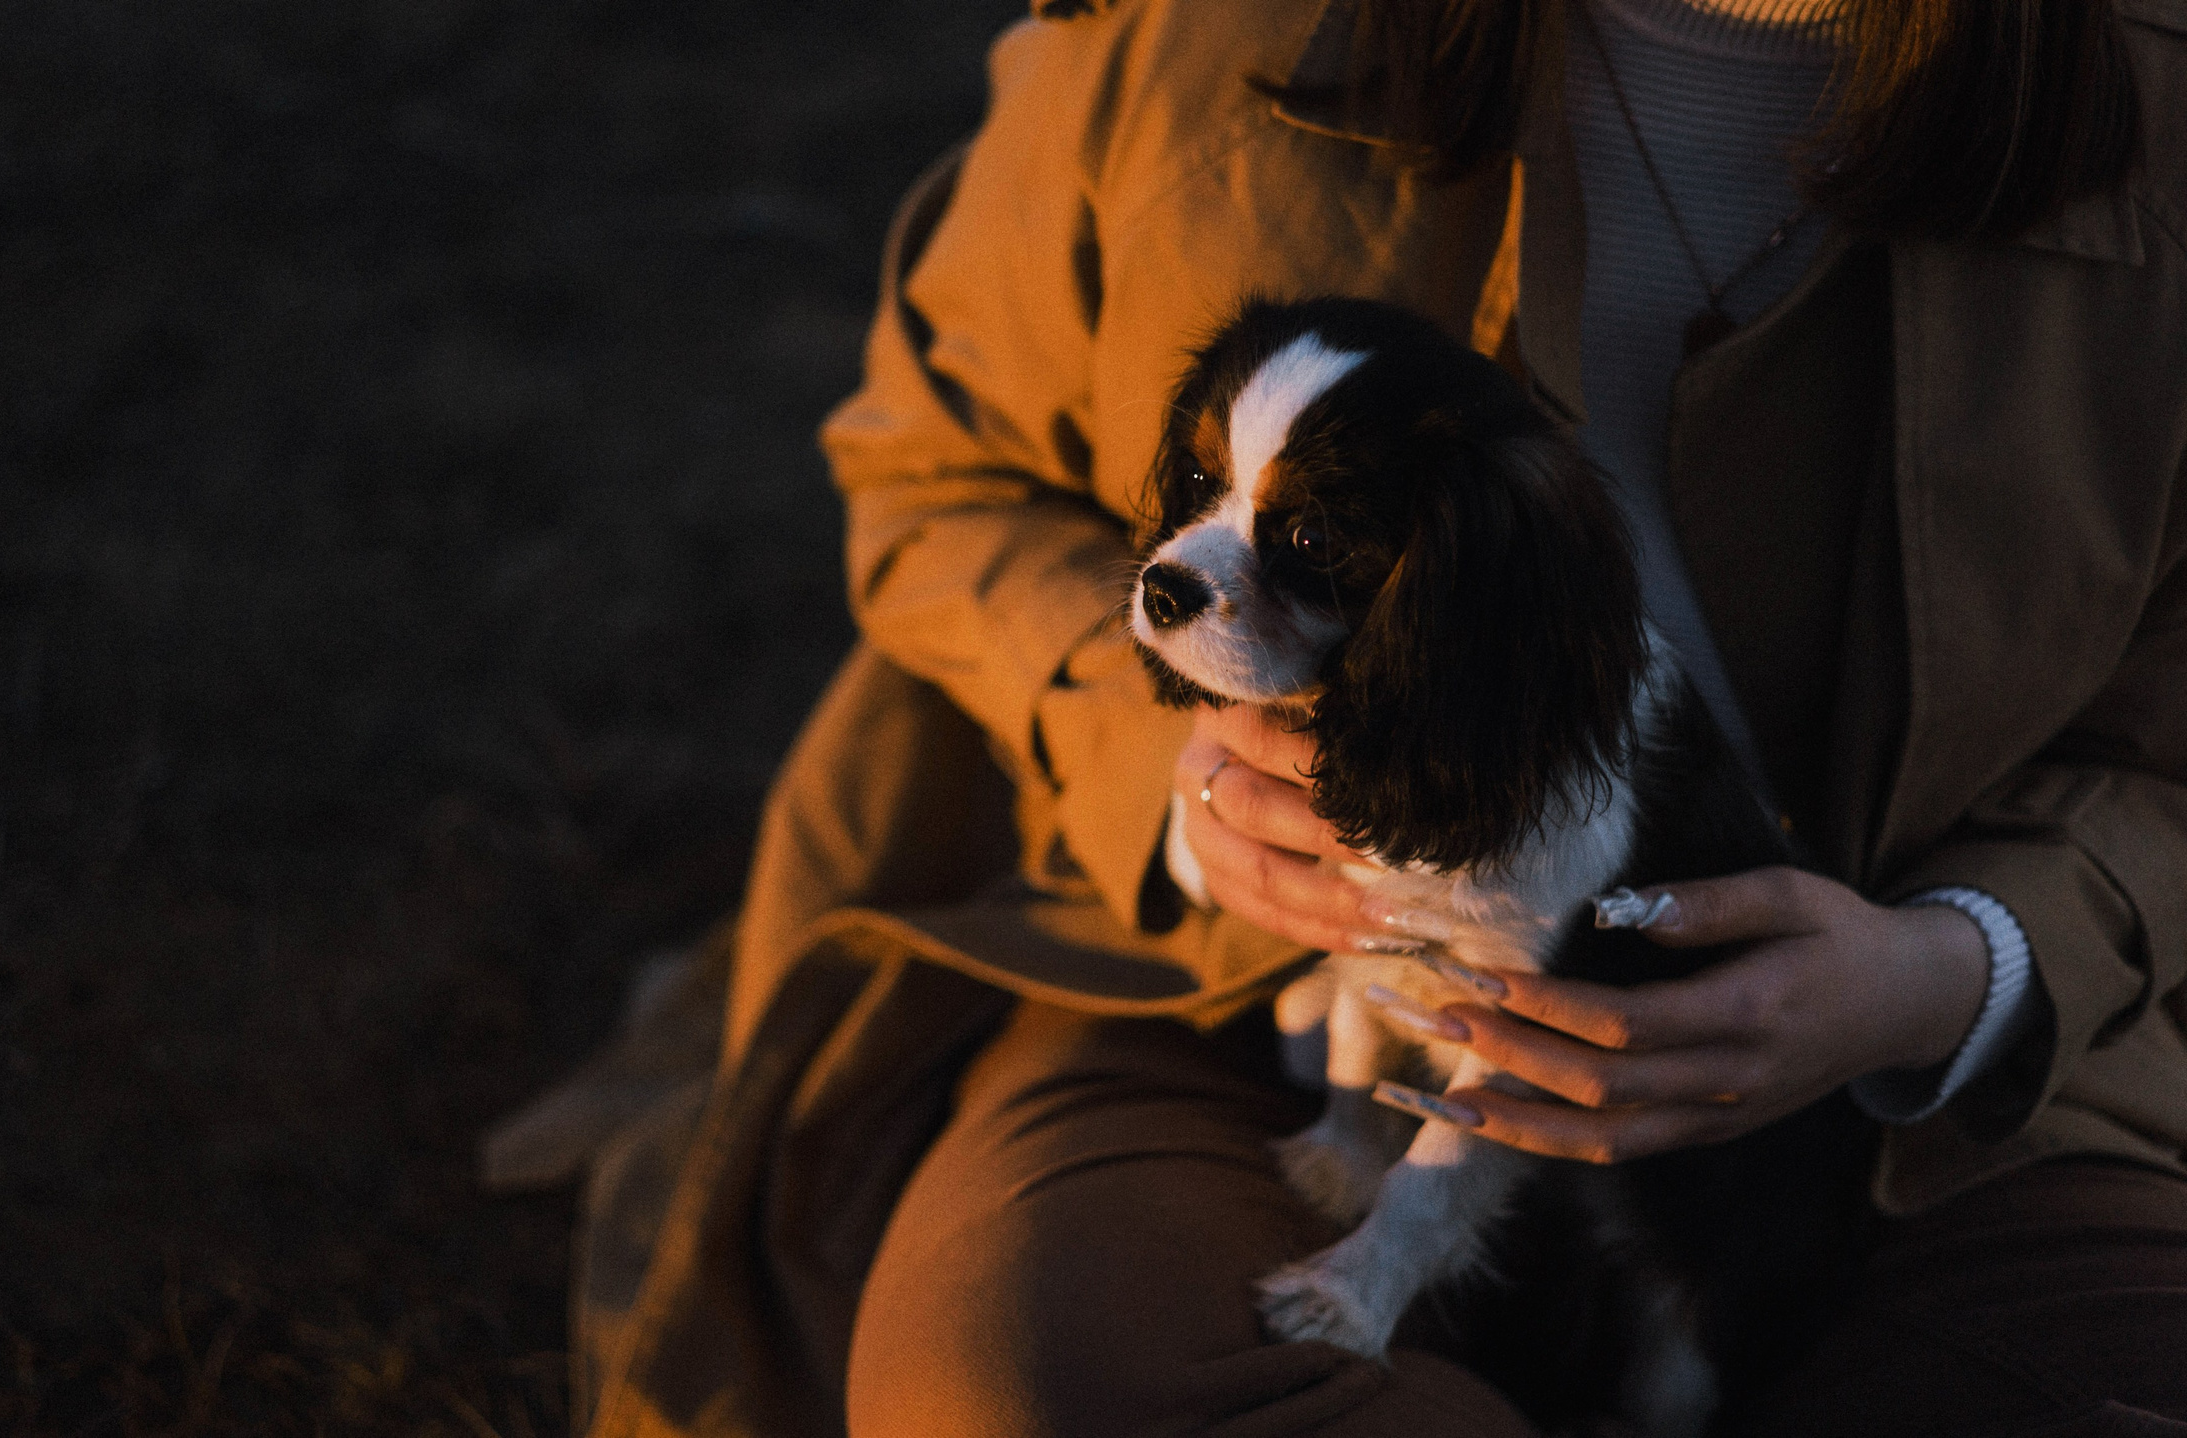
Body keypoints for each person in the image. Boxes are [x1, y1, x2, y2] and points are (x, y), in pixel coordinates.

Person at [579, 1, 2187, 1434]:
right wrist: (1185, 787)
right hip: (1234, 1025)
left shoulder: (2150, 113)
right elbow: (933, 472)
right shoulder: (1199, 38)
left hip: (1974, 1125)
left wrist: (1956, 967)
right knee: (1028, 1392)